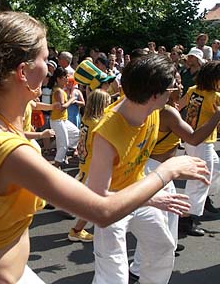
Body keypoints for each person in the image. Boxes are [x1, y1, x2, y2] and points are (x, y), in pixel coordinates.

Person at [0, 11, 209, 284]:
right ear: (23, 71)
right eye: (46, 59)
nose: (52, 67)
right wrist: (170, 170)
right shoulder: (9, 151)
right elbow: (101, 211)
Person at [89, 55, 200, 284]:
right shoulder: (107, 133)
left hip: (139, 195)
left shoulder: (151, 109)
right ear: (155, 95)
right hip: (112, 207)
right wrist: (151, 198)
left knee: (163, 248)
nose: (176, 90)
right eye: (172, 87)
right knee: (113, 277)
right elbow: (97, 197)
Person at [129, 71, 220, 280]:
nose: (180, 86)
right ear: (164, 90)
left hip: (152, 168)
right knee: (159, 227)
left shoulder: (147, 106)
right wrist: (217, 116)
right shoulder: (167, 112)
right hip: (158, 171)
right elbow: (194, 138)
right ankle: (141, 271)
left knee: (163, 226)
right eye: (175, 83)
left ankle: (142, 268)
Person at [180, 61, 220, 235]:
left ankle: (203, 201)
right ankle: (186, 219)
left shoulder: (192, 90)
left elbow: (178, 106)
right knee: (199, 180)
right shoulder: (215, 96)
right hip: (202, 142)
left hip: (190, 138)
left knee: (215, 169)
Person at [68, 89, 111, 242]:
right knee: (92, 201)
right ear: (101, 104)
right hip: (94, 165)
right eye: (107, 102)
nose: (109, 105)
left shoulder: (87, 119)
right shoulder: (98, 124)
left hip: (86, 163)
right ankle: (76, 230)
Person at [48, 67, 79, 168]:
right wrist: (72, 99)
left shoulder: (60, 90)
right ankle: (56, 166)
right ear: (58, 79)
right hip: (57, 121)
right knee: (63, 145)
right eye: (64, 77)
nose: (67, 79)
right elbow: (62, 107)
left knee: (77, 134)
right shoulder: (59, 91)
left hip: (62, 121)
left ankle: (60, 154)